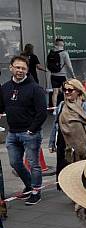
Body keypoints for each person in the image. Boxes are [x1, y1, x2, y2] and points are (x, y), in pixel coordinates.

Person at [0, 55, 47, 205]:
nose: (20, 70)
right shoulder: (5, 87)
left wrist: (32, 130)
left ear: (27, 70)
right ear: (11, 68)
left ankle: (35, 191)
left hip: (30, 133)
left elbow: (42, 112)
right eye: (18, 67)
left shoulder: (35, 89)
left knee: (34, 164)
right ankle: (29, 185)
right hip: (12, 133)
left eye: (23, 68)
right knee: (15, 163)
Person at [51, 79, 86, 184]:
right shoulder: (61, 105)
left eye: (70, 90)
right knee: (67, 172)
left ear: (78, 91)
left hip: (82, 145)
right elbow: (56, 124)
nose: (67, 92)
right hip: (64, 144)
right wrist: (52, 142)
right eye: (65, 90)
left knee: (82, 173)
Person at [48, 39, 75, 107]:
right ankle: (65, 106)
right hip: (62, 75)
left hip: (53, 75)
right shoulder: (64, 53)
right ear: (62, 45)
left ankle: (54, 108)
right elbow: (69, 66)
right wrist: (73, 76)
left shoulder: (51, 53)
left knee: (55, 92)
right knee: (65, 92)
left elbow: (47, 64)